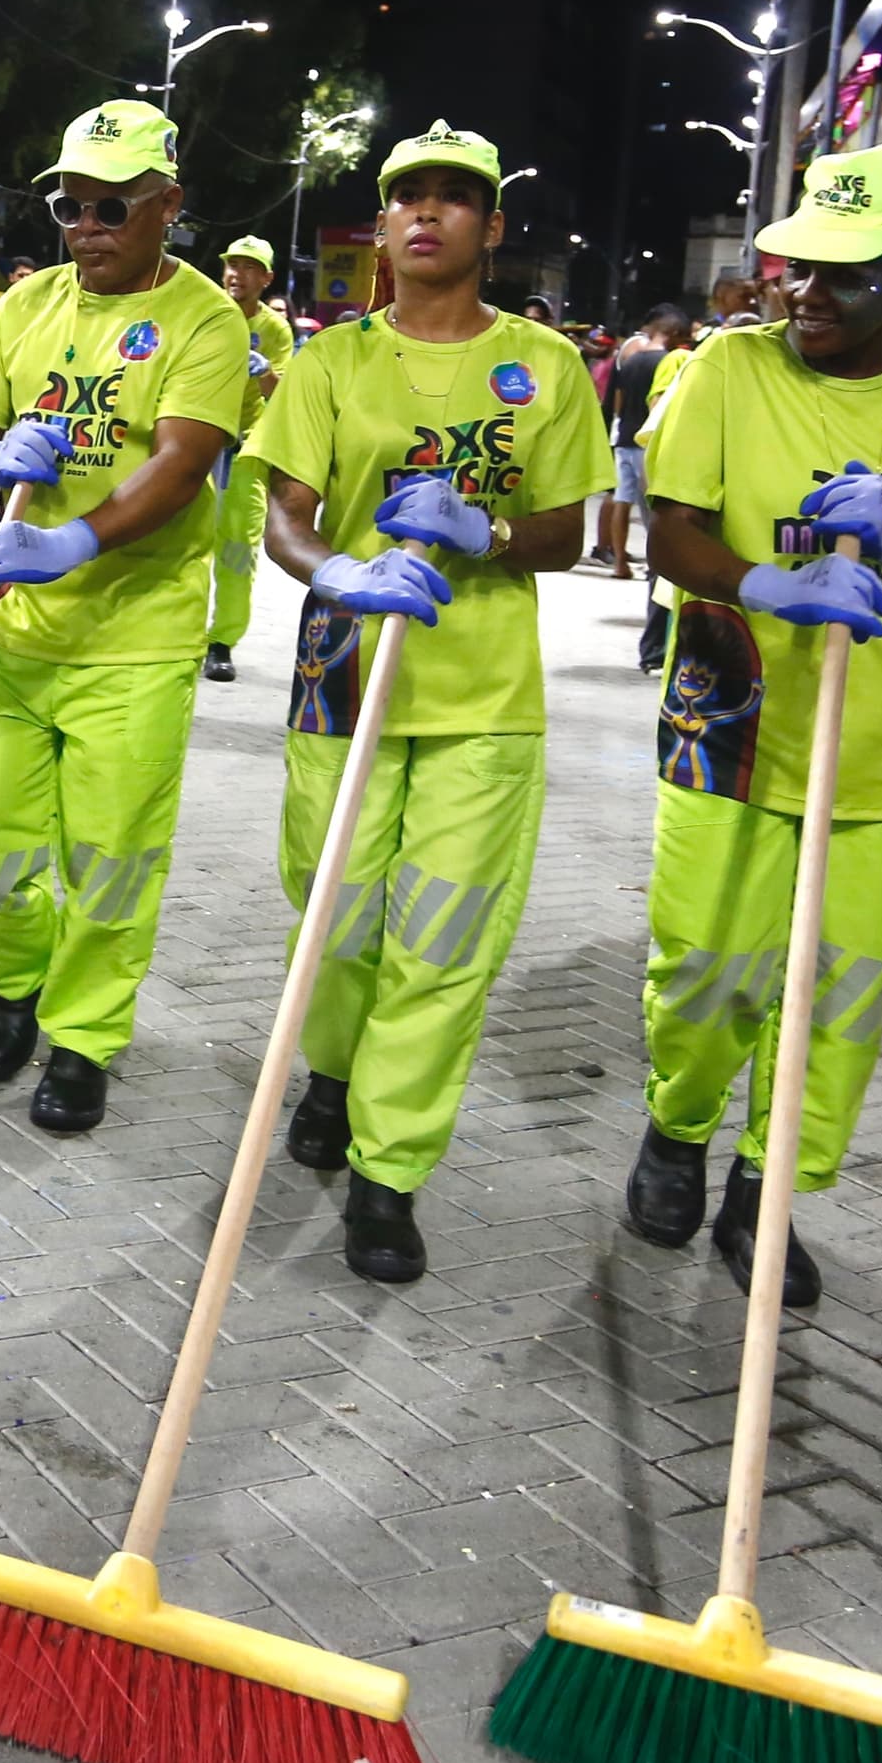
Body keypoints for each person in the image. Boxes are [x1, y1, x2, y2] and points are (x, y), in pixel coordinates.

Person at [627, 145, 882, 1302]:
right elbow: (673, 530)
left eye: (844, 274)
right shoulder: (725, 371)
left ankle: (767, 1187)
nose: (806, 293)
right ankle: (677, 1126)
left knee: (839, 995)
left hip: (880, 752)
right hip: (730, 723)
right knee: (705, 974)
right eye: (797, 266)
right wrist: (759, 581)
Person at [249, 125, 601, 1278]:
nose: (429, 216)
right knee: (337, 913)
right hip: (342, 676)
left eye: (456, 199)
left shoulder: (544, 365)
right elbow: (286, 513)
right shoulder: (329, 361)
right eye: (410, 198)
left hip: (483, 697)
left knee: (443, 938)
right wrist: (332, 568)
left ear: (491, 227)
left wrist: (489, 532)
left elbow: (571, 527)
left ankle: (389, 1172)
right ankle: (337, 1071)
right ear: (383, 222)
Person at [0, 101, 235, 1125]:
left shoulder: (206, 318)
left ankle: (85, 1034)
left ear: (167, 206)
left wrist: (74, 541)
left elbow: (183, 461)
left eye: (113, 206)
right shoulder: (28, 307)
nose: (87, 227)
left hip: (135, 635)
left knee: (108, 857)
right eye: (70, 206)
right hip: (16, 628)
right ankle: (15, 981)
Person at [200, 234, 285, 680]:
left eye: (250, 267)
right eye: (233, 264)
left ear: (266, 278)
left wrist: (266, 371)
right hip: (195, 447)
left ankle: (221, 641)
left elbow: (284, 396)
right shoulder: (204, 313)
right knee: (183, 543)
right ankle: (182, 634)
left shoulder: (275, 330)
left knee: (236, 552)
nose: (238, 274)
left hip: (245, 453)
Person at [600, 305, 691, 580]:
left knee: (622, 501)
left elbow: (617, 399)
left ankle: (619, 563)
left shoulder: (629, 360)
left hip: (624, 437)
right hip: (646, 442)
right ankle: (656, 566)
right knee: (653, 510)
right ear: (673, 333)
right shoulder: (669, 361)